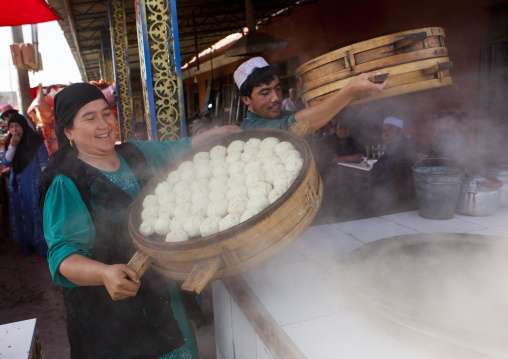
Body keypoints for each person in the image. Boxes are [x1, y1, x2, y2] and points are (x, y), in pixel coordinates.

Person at [39, 83, 241, 358]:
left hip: (165, 298)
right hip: (114, 320)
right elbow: (63, 256)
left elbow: (178, 149)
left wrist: (218, 133)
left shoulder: (135, 153)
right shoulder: (68, 182)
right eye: (90, 118)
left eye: (106, 113)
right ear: (68, 131)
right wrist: (103, 273)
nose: (104, 124)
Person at [234, 57, 386, 134]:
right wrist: (349, 92)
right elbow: (294, 125)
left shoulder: (280, 114)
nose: (276, 98)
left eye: (278, 88)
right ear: (246, 99)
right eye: (265, 93)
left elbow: (310, 116)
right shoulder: (249, 129)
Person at [1, 113, 49, 262]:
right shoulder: (11, 142)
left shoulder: (36, 142)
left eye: (17, 126)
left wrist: (44, 185)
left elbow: (44, 165)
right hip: (17, 189)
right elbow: (6, 162)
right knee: (19, 216)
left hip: (33, 187)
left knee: (36, 217)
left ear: (24, 126)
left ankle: (42, 251)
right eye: (11, 127)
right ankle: (25, 248)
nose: (14, 130)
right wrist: (13, 146)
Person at [368, 116, 417, 215]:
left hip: (394, 197)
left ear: (400, 133)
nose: (386, 134)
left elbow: (377, 168)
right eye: (384, 131)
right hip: (405, 195)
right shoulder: (403, 145)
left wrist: (369, 186)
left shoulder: (398, 149)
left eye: (390, 130)